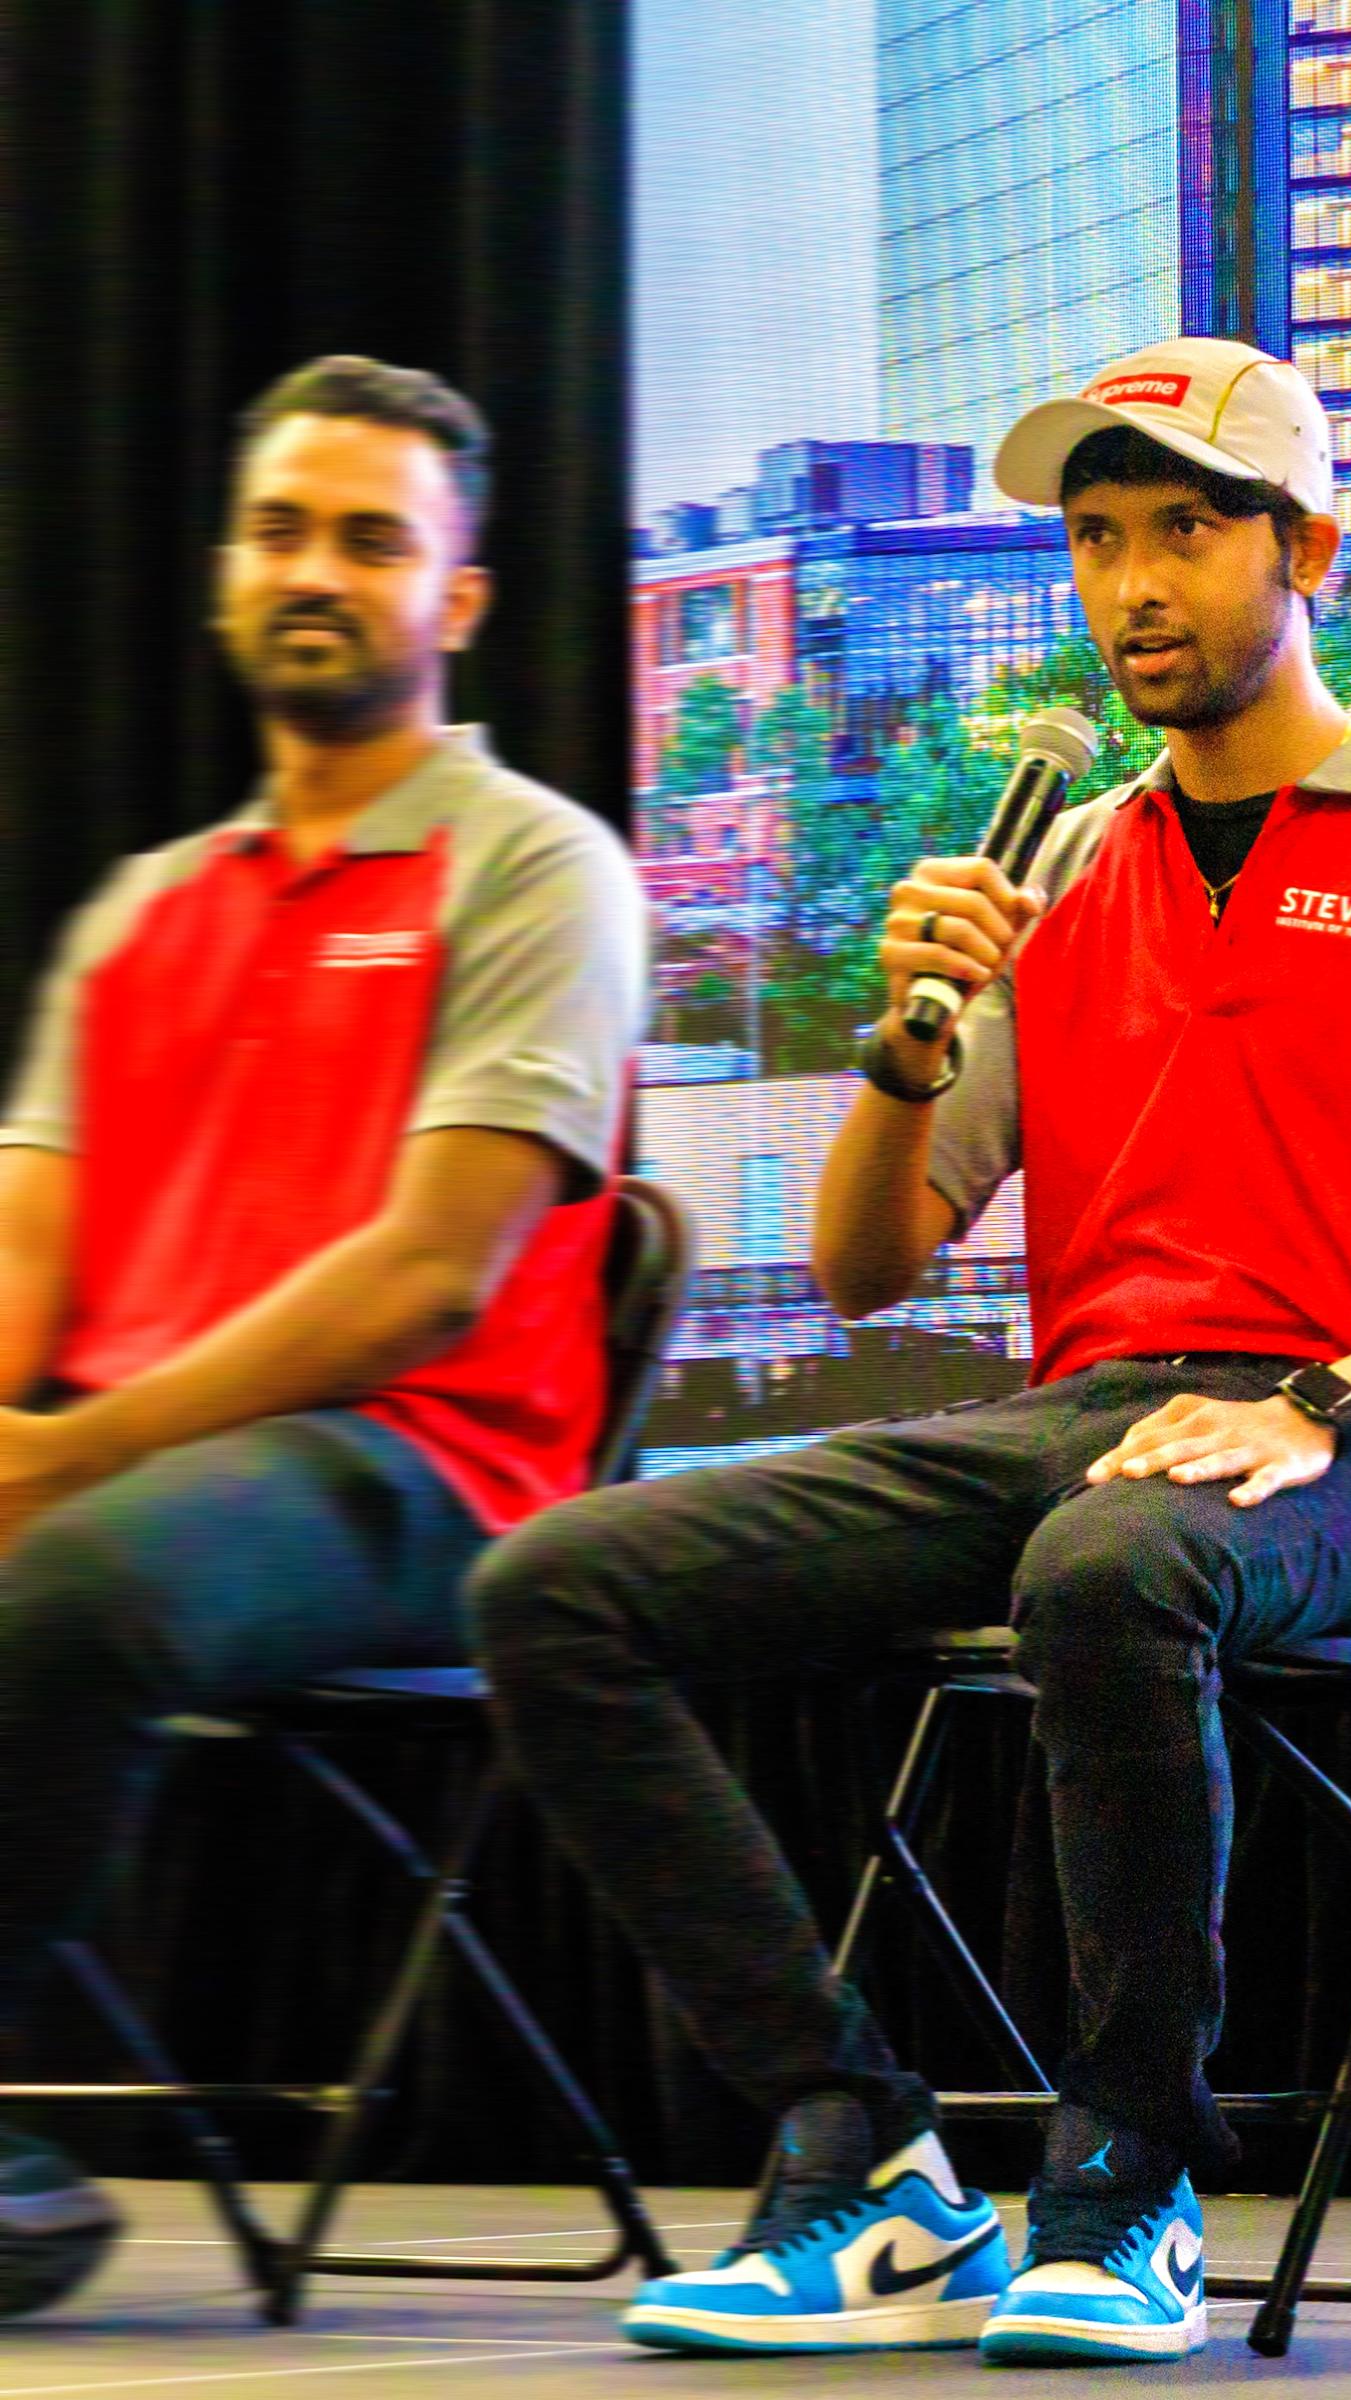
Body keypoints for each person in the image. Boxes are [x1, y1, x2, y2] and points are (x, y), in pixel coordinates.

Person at [470, 334, 1351, 2366]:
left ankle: (1124, 2182)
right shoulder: (1066, 866)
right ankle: (866, 2156)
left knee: (1107, 1571)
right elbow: (864, 1268)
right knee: (558, 1589)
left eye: (1185, 530)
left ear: (1310, 551)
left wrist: (1322, 1405)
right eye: (1098, 539)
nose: (1132, 585)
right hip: (1088, 1424)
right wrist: (902, 1052)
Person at [0, 356, 645, 2315]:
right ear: (225, 571)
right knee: (87, 1550)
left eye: (374, 541)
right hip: (138, 1471)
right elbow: (26, 1246)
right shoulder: (146, 913)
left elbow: (427, 1276)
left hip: (421, 1472)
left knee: (86, 1577)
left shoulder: (536, 867)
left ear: (458, 599)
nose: (316, 571)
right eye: (282, 531)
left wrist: (61, 1456)